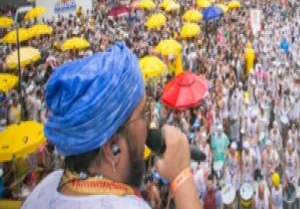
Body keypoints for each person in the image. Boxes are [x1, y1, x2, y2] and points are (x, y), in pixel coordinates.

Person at [23, 42, 201, 208]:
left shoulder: (47, 186)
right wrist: (181, 177)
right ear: (112, 148)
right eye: (143, 114)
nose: (149, 124)